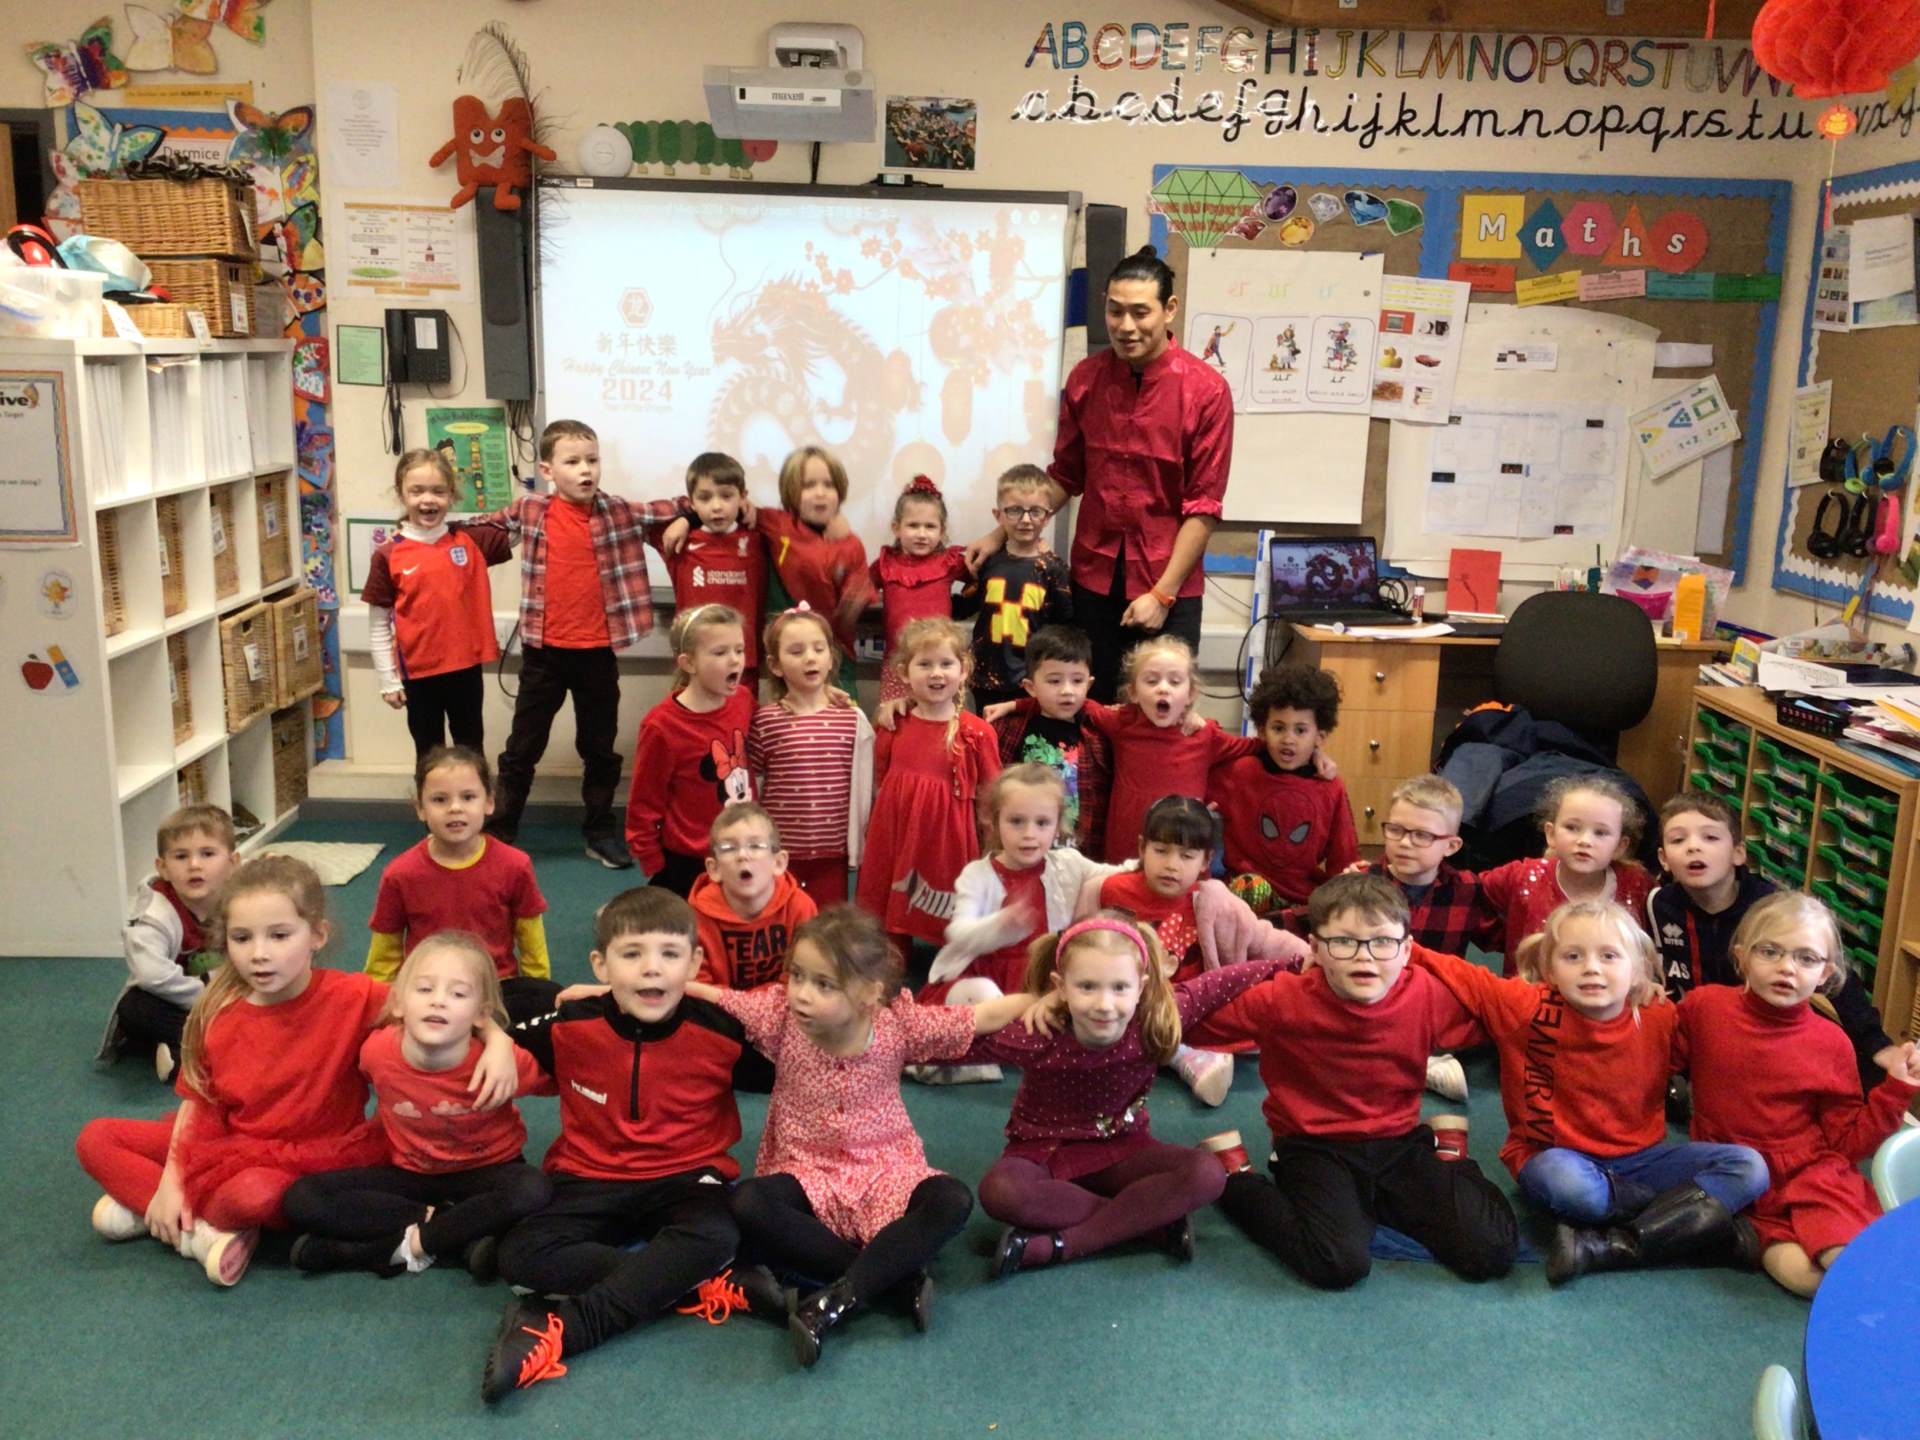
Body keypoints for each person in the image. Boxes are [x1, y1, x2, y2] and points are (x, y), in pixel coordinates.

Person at [76, 856, 520, 1287]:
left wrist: (497, 1038)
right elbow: (201, 1105)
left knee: (254, 1195)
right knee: (96, 1138)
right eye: (242, 938)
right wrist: (171, 1184)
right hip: (230, 1142)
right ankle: (195, 1233)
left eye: (279, 935)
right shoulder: (218, 1013)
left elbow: (438, 1007)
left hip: (318, 1158)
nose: (259, 954)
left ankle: (161, 1214)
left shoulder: (355, 997)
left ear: (317, 935)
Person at [690, 907, 1037, 1366]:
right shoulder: (778, 1017)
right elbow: (711, 998)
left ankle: (836, 1298)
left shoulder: (897, 1024)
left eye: (824, 984)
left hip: (885, 1169)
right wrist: (609, 992)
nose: (802, 994)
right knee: (749, 1202)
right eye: (798, 976)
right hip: (805, 1171)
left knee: (951, 1199)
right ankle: (894, 1280)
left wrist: (1042, 1000)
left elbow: (983, 1015)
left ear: (870, 993)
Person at [484, 887, 782, 1404]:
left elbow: (794, 1046)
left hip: (688, 1178)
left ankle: (566, 1330)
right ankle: (698, 1283)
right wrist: (494, 1039)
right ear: (601, 965)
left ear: (694, 964)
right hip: (587, 1176)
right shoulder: (571, 1024)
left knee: (717, 1234)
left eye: (669, 954)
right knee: (520, 1253)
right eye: (632, 954)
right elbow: (483, 1007)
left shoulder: (721, 1030)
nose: (651, 969)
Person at [1407, 900, 1770, 1286]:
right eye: (1573, 956)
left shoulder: (1659, 1015)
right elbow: (1464, 976)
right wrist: (1399, 945)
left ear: (1636, 970)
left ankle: (1617, 1243)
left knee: (1749, 1168)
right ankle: (1693, 1227)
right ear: (1550, 969)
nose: (1591, 968)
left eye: (1609, 956)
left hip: (1642, 1159)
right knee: (1568, 1185)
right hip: (1558, 1158)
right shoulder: (1527, 1005)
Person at [1202, 873, 1519, 1290]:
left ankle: (1449, 1159)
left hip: (1398, 1142)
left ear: (1408, 950)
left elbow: (1508, 1014)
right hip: (1313, 1145)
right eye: (1343, 942)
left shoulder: (1425, 993)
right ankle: (1235, 1178)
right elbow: (1188, 1020)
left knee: (1492, 1248)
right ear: (1315, 948)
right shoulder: (1282, 998)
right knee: (1338, 1264)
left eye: (1382, 942)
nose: (1364, 957)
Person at [967, 246, 1232, 702]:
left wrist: (1162, 595)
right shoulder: (1086, 379)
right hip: (1093, 578)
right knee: (1087, 709)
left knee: (1159, 714)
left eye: (1140, 312)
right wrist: (998, 535)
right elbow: (1065, 476)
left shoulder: (1206, 390)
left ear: (1169, 309)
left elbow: (1203, 507)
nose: (1126, 326)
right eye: (1115, 311)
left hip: (1167, 584)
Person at [970, 913, 1286, 1275]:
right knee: (1001, 1191)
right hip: (1043, 1153)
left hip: (1123, 1150)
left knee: (1207, 1174)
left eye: (1120, 987)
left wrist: (1294, 962)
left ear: (1141, 987)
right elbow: (952, 1041)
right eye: (1087, 987)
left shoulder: (1153, 1019)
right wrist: (1019, 1004)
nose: (1104, 1004)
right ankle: (1148, 1223)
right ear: (1061, 986)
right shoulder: (1036, 1031)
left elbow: (1222, 982)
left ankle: (1060, 1246)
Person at [1673, 891, 1920, 1297]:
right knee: (1810, 1282)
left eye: (1806, 958)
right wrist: (1638, 1004)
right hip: (1738, 1173)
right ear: (1742, 958)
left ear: (1825, 973)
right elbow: (1656, 1061)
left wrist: (1896, 1089)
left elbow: (1847, 1143)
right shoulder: (1705, 1008)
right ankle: (1738, 1232)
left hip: (1812, 1175)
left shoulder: (1832, 1042)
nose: (1786, 967)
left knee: (1853, 1269)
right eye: (1770, 951)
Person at [283, 932, 555, 1278]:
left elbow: (566, 1082)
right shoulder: (376, 1052)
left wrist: (502, 1041)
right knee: (303, 1197)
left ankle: (380, 1250)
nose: (438, 1001)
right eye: (424, 989)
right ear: (398, 1003)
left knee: (534, 1189)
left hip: (490, 1173)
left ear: (480, 1013)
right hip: (410, 1175)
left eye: (458, 994)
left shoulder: (500, 1062)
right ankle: (452, 1232)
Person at [480, 419, 683, 868]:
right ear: (547, 470)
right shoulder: (531, 509)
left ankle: (599, 832)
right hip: (544, 655)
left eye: (592, 460)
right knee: (522, 750)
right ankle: (501, 832)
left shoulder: (618, 511)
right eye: (572, 462)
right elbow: (478, 528)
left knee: (600, 749)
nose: (586, 469)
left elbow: (676, 507)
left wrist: (687, 516)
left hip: (597, 655)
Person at [1649, 792, 1894, 1094]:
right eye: (1678, 840)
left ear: (1738, 853)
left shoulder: (1770, 908)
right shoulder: (1659, 904)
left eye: (1710, 837)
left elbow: (1835, 978)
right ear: (1664, 859)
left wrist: (1876, 1044)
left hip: (1764, 1037)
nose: (1693, 846)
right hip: (1694, 1036)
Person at [1087, 795, 1299, 1105]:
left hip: (1197, 1007)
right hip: (1131, 1002)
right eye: (1161, 851)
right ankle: (1183, 1056)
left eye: (1187, 856)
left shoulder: (1213, 901)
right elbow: (1082, 948)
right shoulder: (1110, 890)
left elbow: (1264, 939)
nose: (1172, 865)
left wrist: (1313, 956)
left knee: (1267, 999)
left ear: (1205, 861)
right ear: (1142, 848)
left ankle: (1171, 1047)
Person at [1330, 774, 1501, 1104]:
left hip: (1431, 1003)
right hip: (1372, 996)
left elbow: (1498, 937)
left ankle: (1400, 1060)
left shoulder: (1466, 890)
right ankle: (1416, 1065)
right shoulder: (1361, 882)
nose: (1405, 843)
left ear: (1451, 846)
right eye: (1396, 830)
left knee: (1480, 1014)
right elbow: (1316, 927)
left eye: (1422, 835)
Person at [365, 746, 559, 1026]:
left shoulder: (515, 865)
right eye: (440, 799)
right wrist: (377, 1004)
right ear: (420, 808)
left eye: (468, 797)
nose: (455, 807)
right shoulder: (400, 874)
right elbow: (385, 950)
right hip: (430, 990)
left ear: (489, 802)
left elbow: (531, 937)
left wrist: (537, 988)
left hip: (495, 989)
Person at [856, 617, 1002, 953]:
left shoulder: (977, 732)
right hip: (896, 827)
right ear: (904, 672)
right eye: (924, 664)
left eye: (946, 664)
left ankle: (954, 956)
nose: (936, 673)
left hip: (948, 837)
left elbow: (991, 794)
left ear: (963, 670)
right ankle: (893, 950)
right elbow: (880, 777)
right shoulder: (893, 723)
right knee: (890, 896)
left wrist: (991, 846)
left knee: (950, 905)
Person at [361, 448, 512, 757]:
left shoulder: (471, 540)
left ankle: (474, 792)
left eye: (438, 491)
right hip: (418, 674)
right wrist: (388, 680)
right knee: (429, 754)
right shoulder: (388, 554)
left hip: (465, 669)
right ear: (401, 494)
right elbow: (378, 624)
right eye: (417, 491)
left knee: (471, 750)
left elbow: (526, 526)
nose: (427, 499)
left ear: (451, 495)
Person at [1079, 635, 1260, 863]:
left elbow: (1255, 746)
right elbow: (1080, 703)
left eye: (1174, 682)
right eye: (1152, 681)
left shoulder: (1204, 735)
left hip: (1184, 855)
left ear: (1191, 693)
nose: (1163, 689)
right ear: (1133, 692)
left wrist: (1306, 748)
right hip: (1125, 852)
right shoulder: (1122, 722)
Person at [95, 803, 236, 1083]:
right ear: (163, 868)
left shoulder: (242, 901)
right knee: (136, 1007)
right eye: (181, 856)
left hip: (228, 994)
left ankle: (186, 1052)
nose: (194, 865)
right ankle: (213, 1046)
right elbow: (151, 974)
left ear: (233, 863)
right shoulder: (154, 915)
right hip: (179, 1000)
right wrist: (208, 999)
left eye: (207, 854)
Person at [624, 604, 756, 896]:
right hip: (689, 860)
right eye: (720, 653)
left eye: (739, 650)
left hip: (741, 848)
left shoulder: (744, 700)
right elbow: (644, 803)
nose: (735, 660)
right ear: (688, 663)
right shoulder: (661, 727)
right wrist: (653, 861)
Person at [748, 605, 874, 906]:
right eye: (796, 651)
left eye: (819, 649)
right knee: (783, 918)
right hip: (780, 851)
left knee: (829, 923)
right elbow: (753, 786)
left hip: (834, 851)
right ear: (775, 665)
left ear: (831, 658)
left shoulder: (851, 719)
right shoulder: (765, 720)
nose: (810, 658)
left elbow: (867, 783)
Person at [1212, 662, 1357, 908]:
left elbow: (1344, 860)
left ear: (1320, 736)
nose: (1288, 739)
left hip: (1302, 903)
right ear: (1262, 730)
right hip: (1240, 897)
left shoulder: (1330, 787)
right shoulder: (1239, 772)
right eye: (1278, 728)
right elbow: (1192, 766)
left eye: (1300, 730)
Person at [1479, 774, 1654, 972]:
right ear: (1551, 834)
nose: (1584, 841)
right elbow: (1464, 891)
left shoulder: (1637, 884)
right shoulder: (1522, 876)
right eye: (1572, 828)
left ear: (1620, 846)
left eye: (1600, 833)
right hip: (1530, 991)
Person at [647, 451, 768, 680]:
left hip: (742, 662)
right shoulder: (678, 539)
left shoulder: (758, 539)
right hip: (694, 663)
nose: (716, 506)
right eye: (705, 498)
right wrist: (686, 519)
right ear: (691, 502)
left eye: (726, 496)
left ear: (743, 497)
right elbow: (629, 517)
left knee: (741, 706)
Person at [989, 625, 1110, 850]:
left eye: (1077, 681)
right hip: (1023, 847)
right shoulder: (1009, 730)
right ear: (1031, 687)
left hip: (1078, 853)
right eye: (1054, 681)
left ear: (1089, 684)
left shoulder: (1099, 734)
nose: (1067, 690)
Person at [961, 464, 1072, 710]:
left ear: (1047, 517)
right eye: (1014, 511)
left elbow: (1063, 626)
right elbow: (968, 604)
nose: (1025, 520)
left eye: (1035, 512)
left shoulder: (1054, 569)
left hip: (1031, 681)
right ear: (998, 515)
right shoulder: (987, 561)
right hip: (986, 677)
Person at [692, 802, 817, 991]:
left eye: (756, 845)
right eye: (729, 848)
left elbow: (807, 976)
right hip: (716, 1007)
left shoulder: (801, 907)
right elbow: (699, 987)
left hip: (787, 1003)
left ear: (778, 863)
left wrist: (754, 1004)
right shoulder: (696, 917)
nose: (743, 855)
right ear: (714, 869)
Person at [870, 476, 971, 704]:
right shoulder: (885, 565)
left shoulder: (949, 562)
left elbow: (982, 576)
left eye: (930, 526)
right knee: (895, 717)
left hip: (941, 664)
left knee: (943, 718)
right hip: (899, 663)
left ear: (942, 531)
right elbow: (859, 589)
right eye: (913, 525)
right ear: (896, 527)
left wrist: (964, 604)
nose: (922, 534)